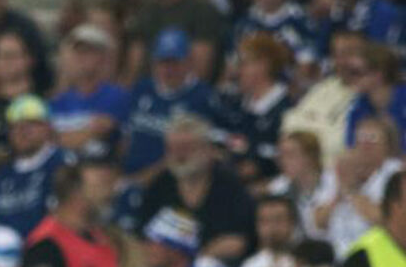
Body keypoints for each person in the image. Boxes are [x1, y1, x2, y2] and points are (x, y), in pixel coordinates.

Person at [138, 114, 254, 267]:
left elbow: (237, 241)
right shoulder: (159, 186)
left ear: (207, 149)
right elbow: (144, 239)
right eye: (172, 148)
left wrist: (198, 260)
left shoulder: (229, 185)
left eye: (186, 148)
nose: (179, 155)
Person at [121, 27, 215, 189]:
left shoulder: (202, 97)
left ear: (188, 62)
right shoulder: (143, 88)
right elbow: (126, 137)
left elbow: (189, 153)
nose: (167, 70)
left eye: (174, 63)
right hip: (128, 175)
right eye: (163, 62)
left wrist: (142, 179)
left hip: (169, 182)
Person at [212, 33, 292, 189]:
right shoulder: (233, 103)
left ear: (263, 65)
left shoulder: (287, 110)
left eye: (243, 64)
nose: (236, 71)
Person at [317, 118, 403, 257]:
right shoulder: (337, 171)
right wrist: (339, 193)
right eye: (361, 138)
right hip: (338, 256)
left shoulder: (396, 173)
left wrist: (352, 190)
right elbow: (319, 222)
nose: (365, 145)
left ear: (388, 145)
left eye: (373, 139)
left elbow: (386, 220)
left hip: (381, 255)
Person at [0, 94, 72, 238]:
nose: (22, 132)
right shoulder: (2, 173)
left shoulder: (62, 162)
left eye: (31, 125)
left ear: (47, 127)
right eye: (15, 127)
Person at [281, 28, 364, 168]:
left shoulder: (366, 96)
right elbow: (289, 124)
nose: (341, 61)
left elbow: (339, 143)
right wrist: (324, 129)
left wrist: (312, 123)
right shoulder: (323, 88)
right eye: (337, 55)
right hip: (303, 171)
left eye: (348, 54)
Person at [51, 24, 130, 160]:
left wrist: (63, 137)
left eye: (90, 52)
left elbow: (106, 131)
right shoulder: (58, 102)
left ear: (104, 58)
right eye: (78, 52)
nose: (82, 58)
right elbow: (49, 142)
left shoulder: (117, 96)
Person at [343, 42, 406, 149]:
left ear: (378, 75)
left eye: (356, 72)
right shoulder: (357, 106)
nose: (351, 78)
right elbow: (352, 146)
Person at [238, 195, 302, 267]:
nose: (272, 227)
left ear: (292, 223)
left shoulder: (308, 261)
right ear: (257, 226)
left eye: (279, 220)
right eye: (265, 221)